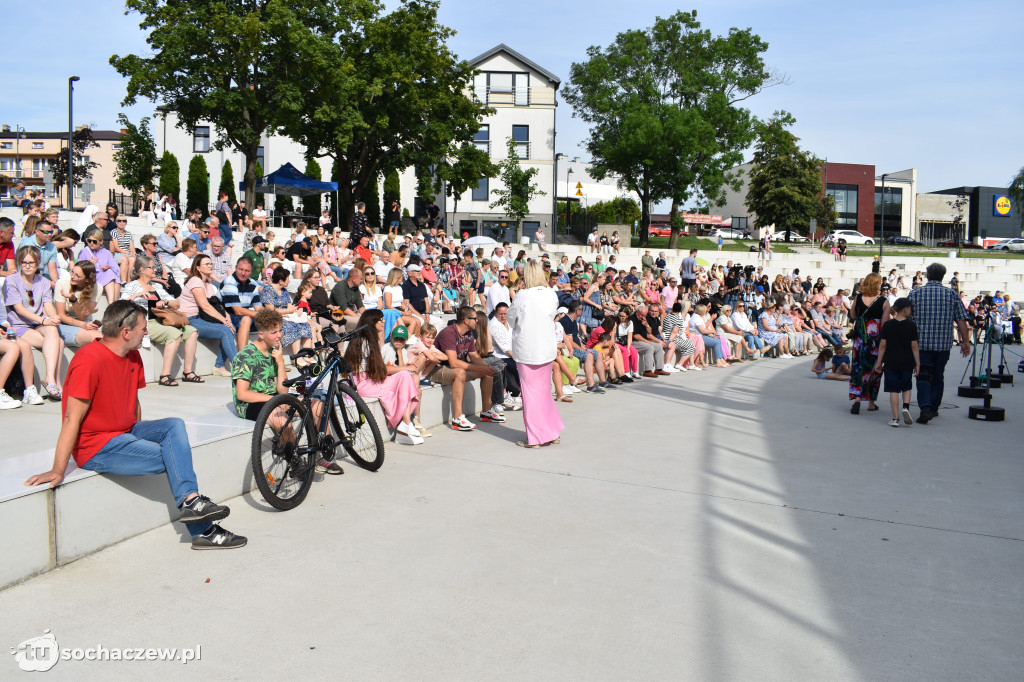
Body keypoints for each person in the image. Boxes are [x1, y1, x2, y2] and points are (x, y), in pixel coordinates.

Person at [24, 301, 246, 549]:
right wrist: (58, 469)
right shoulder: (89, 360)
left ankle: (192, 506)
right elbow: (71, 418)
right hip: (97, 446)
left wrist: (137, 438)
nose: (147, 332)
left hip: (127, 432)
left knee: (174, 425)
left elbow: (134, 402)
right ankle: (201, 528)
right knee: (174, 459)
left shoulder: (133, 355)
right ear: (125, 332)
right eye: (143, 328)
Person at [344, 309, 424, 445]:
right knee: (404, 376)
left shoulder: (366, 339)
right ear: (372, 322)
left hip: (369, 380)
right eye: (381, 320)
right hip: (362, 384)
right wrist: (405, 367)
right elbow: (379, 370)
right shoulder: (365, 342)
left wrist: (403, 368)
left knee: (404, 376)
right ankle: (405, 424)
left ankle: (405, 425)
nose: (384, 322)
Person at [505, 262, 563, 447]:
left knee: (530, 395)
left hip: (528, 350)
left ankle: (536, 437)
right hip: (545, 349)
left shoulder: (522, 295)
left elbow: (511, 320)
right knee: (544, 393)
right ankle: (551, 432)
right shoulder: (550, 294)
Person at [121, 256, 202, 386]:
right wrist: (137, 295)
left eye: (154, 267)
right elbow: (120, 305)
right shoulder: (132, 285)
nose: (155, 270)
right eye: (151, 267)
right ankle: (164, 375)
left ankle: (187, 372)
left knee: (192, 332)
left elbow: (176, 304)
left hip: (163, 321)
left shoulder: (157, 286)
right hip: (146, 323)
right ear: (141, 269)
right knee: (174, 334)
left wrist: (165, 301)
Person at [906, 263, 971, 423]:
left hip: (921, 344)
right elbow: (961, 319)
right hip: (943, 344)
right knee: (938, 375)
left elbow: (906, 317)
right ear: (943, 276)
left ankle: (925, 407)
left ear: (927, 275)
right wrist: (965, 341)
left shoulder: (915, 293)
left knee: (922, 376)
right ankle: (934, 408)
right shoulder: (952, 295)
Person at [4, 244, 65, 402]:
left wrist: (54, 317)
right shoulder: (12, 280)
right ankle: (54, 382)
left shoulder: (43, 282)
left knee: (53, 331)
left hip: (38, 324)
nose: (27, 266)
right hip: (19, 325)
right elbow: (19, 309)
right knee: (58, 342)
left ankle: (50, 378)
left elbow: (47, 306)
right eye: (24, 262)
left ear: (37, 263)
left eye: (31, 263)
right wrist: (44, 320)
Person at [428, 306, 504, 431]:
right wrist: (480, 369)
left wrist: (486, 368)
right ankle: (457, 418)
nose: (477, 321)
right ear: (466, 320)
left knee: (487, 372)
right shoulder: (449, 333)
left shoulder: (468, 333)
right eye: (474, 318)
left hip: (451, 368)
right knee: (460, 372)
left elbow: (474, 356)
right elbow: (452, 362)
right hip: (435, 369)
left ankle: (486, 412)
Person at [179, 253, 237, 377]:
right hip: (189, 320)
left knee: (232, 329)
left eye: (211, 264)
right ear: (198, 267)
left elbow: (214, 303)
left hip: (198, 318)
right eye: (207, 264)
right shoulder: (195, 280)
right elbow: (205, 306)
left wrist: (226, 315)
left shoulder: (207, 283)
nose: (210, 266)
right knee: (226, 330)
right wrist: (223, 320)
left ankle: (220, 366)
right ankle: (240, 369)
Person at [874, 297, 920, 427]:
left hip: (891, 361)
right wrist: (917, 363)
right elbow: (914, 345)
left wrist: (879, 362)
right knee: (906, 386)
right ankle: (905, 407)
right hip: (907, 361)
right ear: (905, 309)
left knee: (893, 389)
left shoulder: (888, 325)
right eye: (910, 308)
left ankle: (895, 418)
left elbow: (883, 345)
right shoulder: (911, 325)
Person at [54, 261, 103, 348]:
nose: (72, 277)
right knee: (99, 338)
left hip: (84, 323)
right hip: (63, 325)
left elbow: (82, 316)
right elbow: (61, 315)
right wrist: (83, 325)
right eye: (72, 272)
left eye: (77, 276)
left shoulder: (97, 287)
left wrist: (74, 300)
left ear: (87, 280)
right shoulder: (62, 283)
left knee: (110, 338)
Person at [221, 256, 263, 349]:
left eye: (247, 271)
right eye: (240, 269)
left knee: (271, 321)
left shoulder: (252, 283)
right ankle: (242, 357)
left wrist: (268, 316)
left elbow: (259, 307)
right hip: (226, 315)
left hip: (242, 315)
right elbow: (237, 311)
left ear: (251, 272)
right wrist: (261, 315)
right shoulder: (229, 282)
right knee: (247, 319)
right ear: (236, 268)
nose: (243, 273)